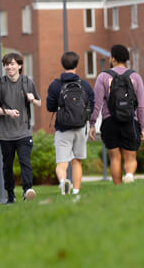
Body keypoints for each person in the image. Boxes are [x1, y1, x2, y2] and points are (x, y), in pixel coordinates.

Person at [89, 44, 144, 185]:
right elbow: (141, 106)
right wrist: (142, 127)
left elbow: (96, 103)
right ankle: (129, 175)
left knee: (115, 157)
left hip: (110, 121)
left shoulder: (103, 77)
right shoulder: (136, 77)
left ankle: (118, 187)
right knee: (130, 157)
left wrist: (92, 123)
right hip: (130, 122)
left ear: (113, 58)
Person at [0, 53, 41, 203]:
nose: (9, 67)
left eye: (13, 64)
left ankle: (27, 190)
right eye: (7, 64)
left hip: (23, 131)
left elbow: (39, 103)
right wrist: (7, 112)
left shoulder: (27, 82)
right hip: (5, 132)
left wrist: (33, 99)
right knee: (7, 165)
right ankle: (10, 194)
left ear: (20, 66)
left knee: (25, 161)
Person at [46, 51, 95, 195]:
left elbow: (50, 107)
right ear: (77, 65)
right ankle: (76, 191)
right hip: (80, 128)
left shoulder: (55, 85)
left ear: (62, 64)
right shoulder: (84, 85)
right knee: (77, 161)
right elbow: (91, 104)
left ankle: (63, 182)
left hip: (63, 128)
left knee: (61, 164)